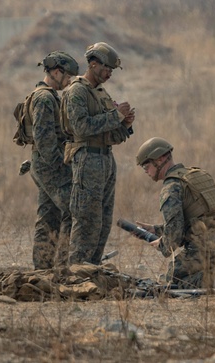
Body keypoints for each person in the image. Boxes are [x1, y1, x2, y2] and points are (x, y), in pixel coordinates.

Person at [135, 137, 215, 294]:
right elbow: (201, 217)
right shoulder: (197, 174)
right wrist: (158, 230)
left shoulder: (171, 187)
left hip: (208, 246)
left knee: (174, 277)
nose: (146, 171)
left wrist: (162, 244)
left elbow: (173, 237)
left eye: (146, 165)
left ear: (159, 159)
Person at [60, 42, 135, 265]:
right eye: (106, 69)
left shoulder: (99, 92)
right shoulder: (77, 92)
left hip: (105, 160)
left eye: (111, 70)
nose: (109, 74)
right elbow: (81, 128)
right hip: (87, 160)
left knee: (102, 221)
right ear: (93, 64)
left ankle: (91, 269)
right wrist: (116, 117)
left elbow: (111, 134)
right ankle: (77, 272)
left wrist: (124, 124)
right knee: (86, 220)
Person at [26, 51, 79, 269]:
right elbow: (44, 139)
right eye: (67, 78)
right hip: (50, 165)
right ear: (56, 72)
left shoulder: (43, 95)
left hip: (42, 164)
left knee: (48, 216)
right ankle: (64, 265)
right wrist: (61, 165)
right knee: (72, 209)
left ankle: (43, 269)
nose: (68, 84)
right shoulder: (45, 98)